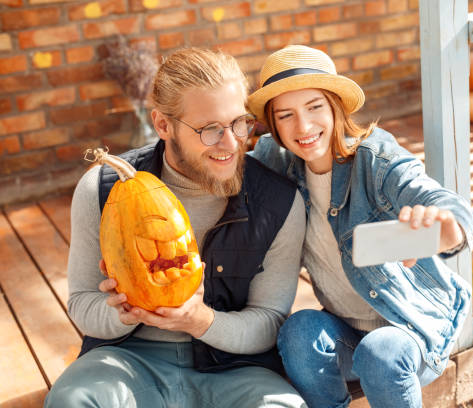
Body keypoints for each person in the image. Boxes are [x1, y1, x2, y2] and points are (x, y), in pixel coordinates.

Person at [45, 47, 307, 408]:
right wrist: (123, 312)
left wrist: (201, 321)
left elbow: (269, 321)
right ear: (163, 125)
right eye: (210, 129)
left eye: (239, 123)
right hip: (127, 359)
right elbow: (82, 303)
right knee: (72, 400)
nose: (231, 143)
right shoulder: (103, 190)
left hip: (235, 367)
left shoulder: (278, 202)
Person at [247, 44, 473, 408]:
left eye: (314, 107)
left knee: (381, 352)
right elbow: (219, 171)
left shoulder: (375, 158)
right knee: (297, 332)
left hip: (412, 325)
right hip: (347, 330)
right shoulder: (277, 162)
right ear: (273, 124)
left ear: (335, 106)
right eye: (286, 115)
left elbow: (448, 207)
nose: (303, 127)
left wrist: (442, 227)